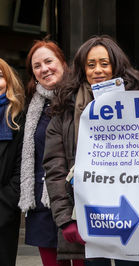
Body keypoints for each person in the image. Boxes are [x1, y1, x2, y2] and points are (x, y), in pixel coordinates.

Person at [42, 35, 139, 265]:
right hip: (87, 216)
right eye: (91, 65)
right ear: (82, 69)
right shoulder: (65, 110)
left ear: (116, 66)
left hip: (131, 213)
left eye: (104, 63)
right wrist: (65, 220)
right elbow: (55, 170)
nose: (97, 70)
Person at [19, 39, 82, 266]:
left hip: (77, 200)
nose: (44, 69)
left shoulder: (80, 98)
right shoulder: (32, 107)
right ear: (33, 73)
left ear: (63, 63)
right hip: (42, 203)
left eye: (49, 61)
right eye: (37, 66)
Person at [0, 58, 25, 266]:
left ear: (8, 81)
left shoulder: (18, 120)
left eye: (0, 76)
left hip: (3, 213)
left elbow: (20, 171)